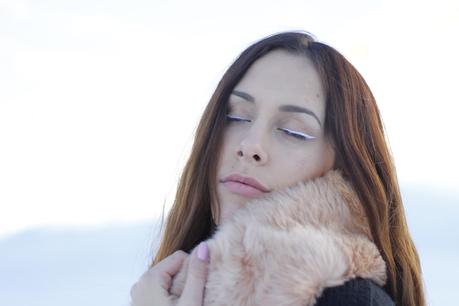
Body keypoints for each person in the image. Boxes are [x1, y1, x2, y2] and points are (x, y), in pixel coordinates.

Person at [129, 31, 426, 306]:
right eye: (236, 117)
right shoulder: (169, 287)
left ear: (346, 168)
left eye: (293, 131)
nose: (250, 145)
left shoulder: (350, 299)